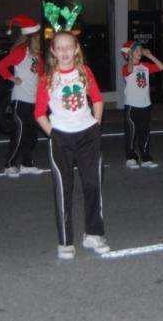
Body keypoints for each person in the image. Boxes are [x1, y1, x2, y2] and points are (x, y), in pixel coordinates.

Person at [34, 30, 108, 260]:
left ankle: (93, 233)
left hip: (88, 135)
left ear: (76, 49)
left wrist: (96, 125)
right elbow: (39, 113)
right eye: (60, 48)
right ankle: (65, 241)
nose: (65, 52)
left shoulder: (84, 72)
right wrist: (53, 134)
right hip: (61, 139)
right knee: (63, 190)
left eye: (69, 47)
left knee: (93, 185)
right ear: (53, 52)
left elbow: (97, 98)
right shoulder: (48, 77)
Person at [0, 15, 44, 177]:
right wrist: (12, 78)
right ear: (33, 36)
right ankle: (9, 165)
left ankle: (26, 164)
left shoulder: (36, 54)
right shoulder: (21, 51)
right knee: (20, 133)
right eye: (39, 35)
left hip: (33, 101)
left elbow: (41, 75)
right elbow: (1, 66)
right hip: (21, 100)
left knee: (32, 135)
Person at [122, 40, 163, 169]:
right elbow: (129, 69)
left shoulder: (145, 65)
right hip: (132, 106)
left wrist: (150, 56)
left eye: (140, 49)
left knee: (145, 132)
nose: (140, 51)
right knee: (132, 133)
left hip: (145, 105)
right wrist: (130, 58)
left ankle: (145, 157)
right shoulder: (126, 67)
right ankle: (131, 157)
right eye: (136, 50)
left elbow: (161, 67)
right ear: (129, 53)